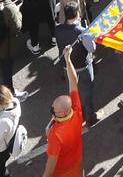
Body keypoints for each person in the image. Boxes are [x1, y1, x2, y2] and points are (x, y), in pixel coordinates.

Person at [43, 44, 85, 177]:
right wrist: (68, 60)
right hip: (76, 160)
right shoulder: (76, 109)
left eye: (53, 110)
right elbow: (73, 81)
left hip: (62, 171)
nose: (52, 110)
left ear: (62, 113)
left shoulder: (55, 134)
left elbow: (51, 162)